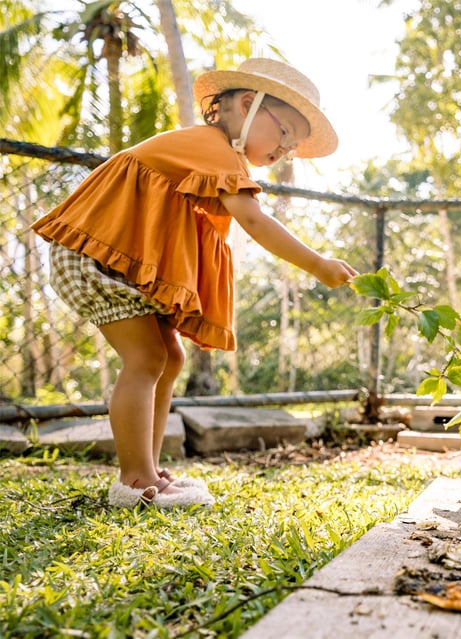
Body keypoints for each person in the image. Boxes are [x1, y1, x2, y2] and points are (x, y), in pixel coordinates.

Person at [31, 58, 358, 508]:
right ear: (248, 104)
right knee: (146, 357)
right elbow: (254, 221)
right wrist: (318, 264)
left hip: (115, 259)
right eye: (286, 135)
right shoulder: (212, 147)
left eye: (293, 148)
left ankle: (149, 468)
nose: (286, 152)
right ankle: (134, 481)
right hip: (93, 255)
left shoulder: (215, 155)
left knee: (169, 356)